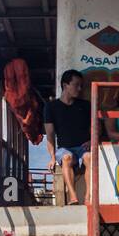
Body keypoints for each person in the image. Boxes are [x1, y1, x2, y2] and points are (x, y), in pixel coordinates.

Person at [44, 69, 92, 205]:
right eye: (76, 85)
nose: (80, 88)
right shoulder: (51, 107)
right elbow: (50, 135)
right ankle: (73, 197)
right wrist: (52, 157)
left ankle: (88, 197)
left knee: (89, 157)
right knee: (66, 158)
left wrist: (91, 140)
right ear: (65, 85)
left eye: (81, 85)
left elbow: (95, 128)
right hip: (65, 148)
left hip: (84, 147)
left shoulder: (85, 105)